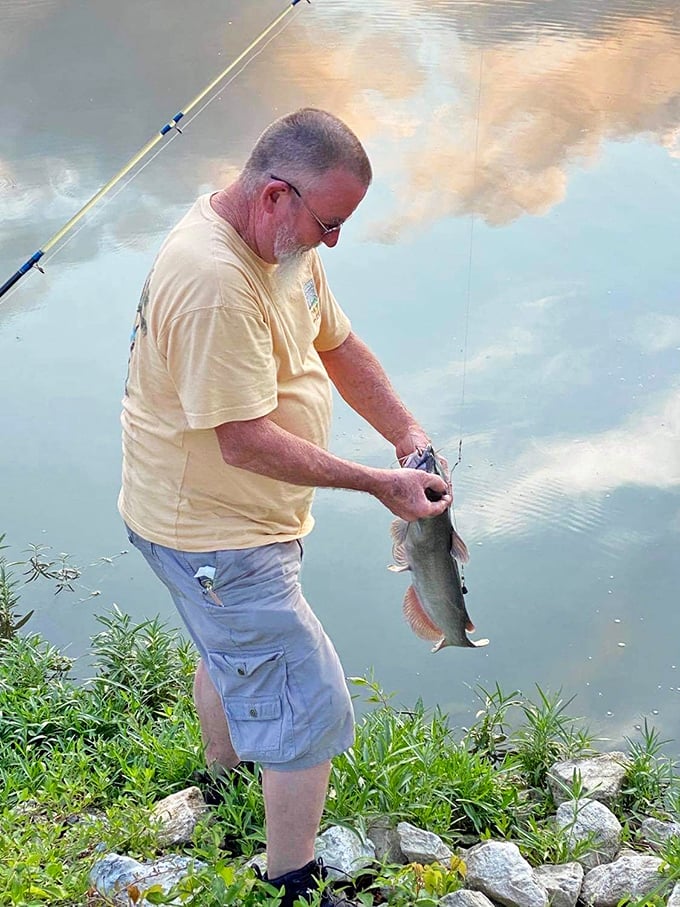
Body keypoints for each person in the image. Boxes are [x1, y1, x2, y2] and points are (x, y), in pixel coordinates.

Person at [119, 107, 451, 906]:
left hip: (237, 518)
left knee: (234, 651)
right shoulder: (211, 280)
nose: (333, 240)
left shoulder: (282, 243)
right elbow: (243, 440)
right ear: (276, 194)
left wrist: (405, 434)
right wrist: (379, 483)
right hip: (210, 531)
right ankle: (292, 879)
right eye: (329, 222)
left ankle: (226, 784)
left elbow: (335, 342)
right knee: (309, 696)